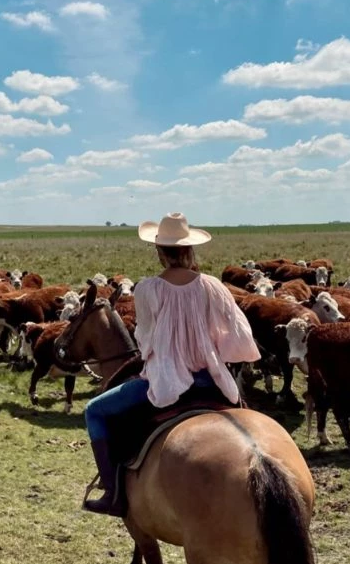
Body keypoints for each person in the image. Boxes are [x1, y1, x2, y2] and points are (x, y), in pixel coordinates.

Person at [84, 212, 261, 515]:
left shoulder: (147, 289)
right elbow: (236, 334)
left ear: (160, 252)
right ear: (190, 250)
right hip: (211, 378)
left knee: (94, 411)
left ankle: (113, 493)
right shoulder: (213, 286)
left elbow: (146, 337)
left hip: (165, 380)